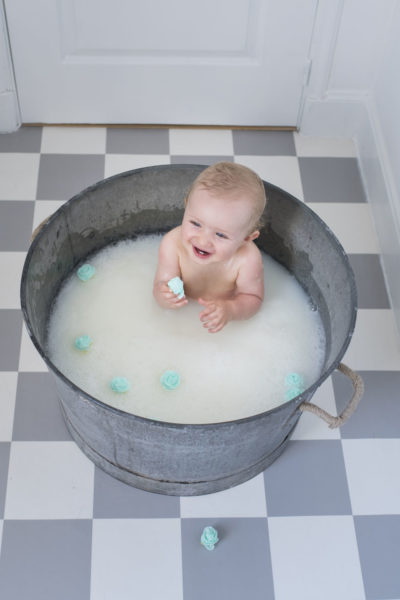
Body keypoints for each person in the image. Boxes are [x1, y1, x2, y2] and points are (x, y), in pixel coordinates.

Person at [153, 162, 267, 333]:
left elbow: (253, 299)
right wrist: (164, 297)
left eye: (220, 235)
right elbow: (161, 284)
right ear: (186, 206)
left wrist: (231, 310)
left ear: (247, 238)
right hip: (181, 320)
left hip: (221, 326)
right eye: (196, 223)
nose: (203, 241)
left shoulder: (247, 259)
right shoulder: (172, 244)